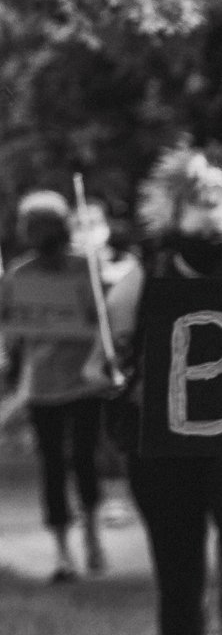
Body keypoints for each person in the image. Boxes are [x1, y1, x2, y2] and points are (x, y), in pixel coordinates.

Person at [102, 147, 222, 635]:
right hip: (163, 451)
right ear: (177, 205)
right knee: (179, 571)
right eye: (199, 194)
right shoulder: (144, 274)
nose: (213, 203)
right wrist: (116, 378)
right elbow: (108, 363)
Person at [4, 189, 115, 582]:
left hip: (84, 382)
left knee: (84, 460)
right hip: (44, 387)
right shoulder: (20, 275)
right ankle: (64, 553)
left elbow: (104, 321)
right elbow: (12, 330)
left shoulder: (84, 268)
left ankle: (92, 539)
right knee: (53, 466)